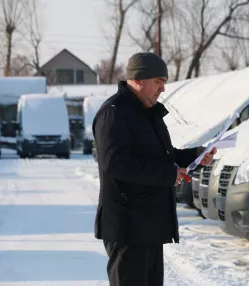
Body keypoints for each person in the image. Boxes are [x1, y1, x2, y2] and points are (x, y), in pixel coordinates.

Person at [92, 52, 216, 286]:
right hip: (127, 228)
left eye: (164, 83)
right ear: (138, 80)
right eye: (158, 82)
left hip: (148, 224)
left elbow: (163, 155)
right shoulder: (114, 113)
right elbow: (116, 163)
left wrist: (196, 155)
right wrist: (168, 175)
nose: (162, 89)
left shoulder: (148, 112)